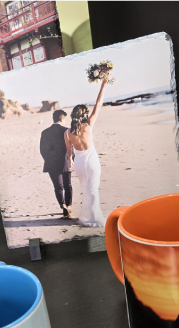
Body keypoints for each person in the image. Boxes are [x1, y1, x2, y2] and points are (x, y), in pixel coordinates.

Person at [65, 78, 108, 227]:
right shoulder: (88, 125)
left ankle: (86, 217)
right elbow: (98, 104)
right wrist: (103, 84)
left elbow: (69, 152)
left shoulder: (67, 132)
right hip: (91, 160)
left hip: (79, 163)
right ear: (84, 115)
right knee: (93, 188)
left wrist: (70, 160)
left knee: (86, 189)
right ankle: (96, 218)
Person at [40, 109, 73, 218]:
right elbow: (71, 147)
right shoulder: (66, 130)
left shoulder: (45, 132)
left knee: (58, 186)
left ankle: (62, 205)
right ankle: (69, 206)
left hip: (51, 163)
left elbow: (42, 150)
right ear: (62, 119)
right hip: (65, 161)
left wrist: (49, 160)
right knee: (68, 185)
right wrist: (71, 159)